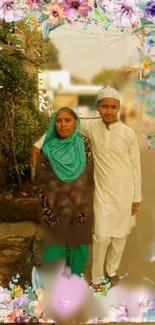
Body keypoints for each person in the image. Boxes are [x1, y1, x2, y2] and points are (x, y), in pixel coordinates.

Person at [31, 87, 142, 292]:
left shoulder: (128, 134)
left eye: (113, 107)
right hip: (101, 193)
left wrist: (137, 196)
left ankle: (112, 271)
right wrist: (38, 144)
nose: (108, 111)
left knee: (120, 237)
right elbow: (63, 126)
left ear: (118, 108)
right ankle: (98, 277)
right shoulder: (91, 128)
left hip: (125, 192)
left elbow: (136, 167)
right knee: (101, 237)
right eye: (104, 106)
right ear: (97, 108)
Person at [33, 107, 94, 279]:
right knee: (55, 240)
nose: (63, 124)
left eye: (67, 120)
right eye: (59, 120)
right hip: (54, 201)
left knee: (78, 241)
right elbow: (42, 176)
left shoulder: (84, 143)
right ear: (54, 124)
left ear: (75, 123)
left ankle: (75, 276)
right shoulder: (48, 146)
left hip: (79, 200)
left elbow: (88, 171)